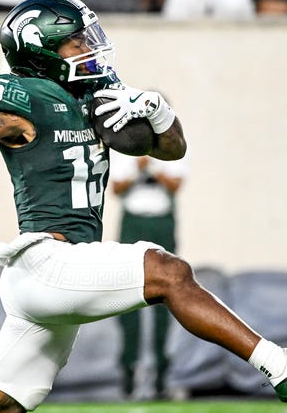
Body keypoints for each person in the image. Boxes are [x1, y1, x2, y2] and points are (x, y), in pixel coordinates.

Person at [0, 0, 287, 412]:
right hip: (46, 264)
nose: (89, 47)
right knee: (168, 271)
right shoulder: (25, 99)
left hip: (62, 272)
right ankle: (281, 365)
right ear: (43, 51)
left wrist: (159, 110)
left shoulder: (91, 95)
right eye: (77, 41)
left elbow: (170, 149)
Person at [110, 151, 188, 399]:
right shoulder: (123, 149)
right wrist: (136, 168)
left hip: (162, 223)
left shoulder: (173, 147)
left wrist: (152, 168)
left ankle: (161, 377)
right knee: (128, 298)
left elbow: (175, 185)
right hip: (133, 223)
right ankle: (129, 371)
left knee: (165, 299)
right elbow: (116, 187)